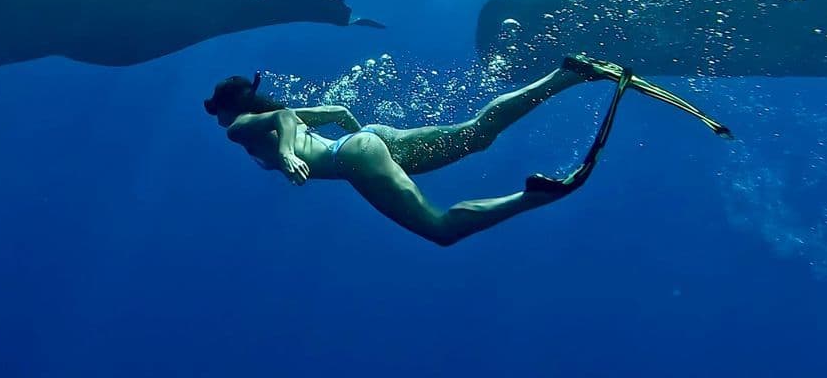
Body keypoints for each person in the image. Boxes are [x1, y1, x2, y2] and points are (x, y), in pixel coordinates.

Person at [204, 54, 731, 247]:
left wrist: (293, 155)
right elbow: (339, 113)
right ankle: (567, 75)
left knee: (440, 230)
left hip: (354, 157)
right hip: (364, 144)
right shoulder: (270, 116)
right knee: (478, 134)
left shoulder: (238, 129)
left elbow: (284, 120)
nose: (219, 120)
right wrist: (367, 144)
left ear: (228, 107)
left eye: (217, 110)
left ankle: (533, 197)